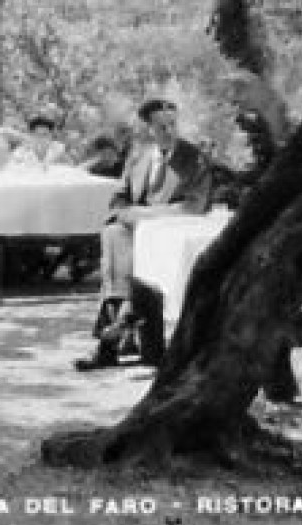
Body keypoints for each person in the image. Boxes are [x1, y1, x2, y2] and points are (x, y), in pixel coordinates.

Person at [75, 98, 212, 372]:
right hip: (136, 229)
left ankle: (110, 342)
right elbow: (118, 202)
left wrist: (148, 216)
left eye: (173, 125)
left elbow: (195, 206)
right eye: (161, 127)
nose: (169, 132)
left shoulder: (193, 158)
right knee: (114, 234)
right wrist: (133, 218)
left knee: (126, 253)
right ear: (149, 129)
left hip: (170, 232)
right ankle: (125, 333)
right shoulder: (138, 156)